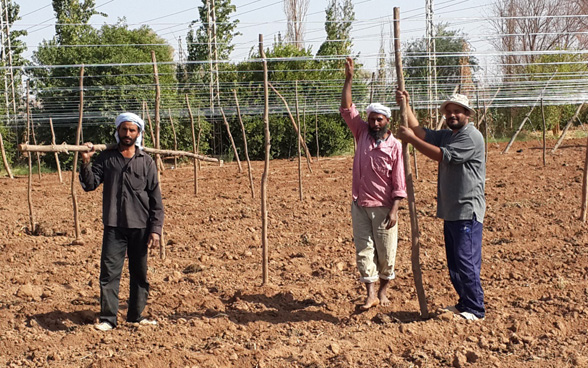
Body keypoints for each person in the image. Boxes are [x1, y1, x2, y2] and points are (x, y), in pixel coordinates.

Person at [395, 89, 486, 321]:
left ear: (467, 114)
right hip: (452, 210)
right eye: (449, 112)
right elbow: (422, 133)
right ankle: (464, 303)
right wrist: (405, 105)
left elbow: (441, 155)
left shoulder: (470, 137)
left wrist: (410, 140)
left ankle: (476, 309)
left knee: (465, 261)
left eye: (457, 111)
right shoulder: (450, 134)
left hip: (467, 210)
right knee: (455, 263)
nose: (452, 115)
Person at [79, 112, 164, 331]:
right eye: (124, 129)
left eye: (132, 130)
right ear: (118, 131)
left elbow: (156, 198)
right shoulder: (107, 158)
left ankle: (136, 316)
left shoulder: (146, 162)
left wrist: (155, 229)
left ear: (138, 133)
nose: (127, 134)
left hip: (141, 226)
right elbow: (89, 185)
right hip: (114, 225)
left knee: (140, 274)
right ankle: (108, 318)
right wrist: (86, 162)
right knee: (109, 273)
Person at [340, 57, 407, 310]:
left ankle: (383, 291)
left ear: (387, 121)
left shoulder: (395, 147)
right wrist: (349, 79)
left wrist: (395, 208)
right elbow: (347, 109)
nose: (375, 123)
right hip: (360, 204)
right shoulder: (361, 133)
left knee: (386, 252)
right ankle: (369, 293)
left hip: (384, 206)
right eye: (372, 119)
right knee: (363, 250)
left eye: (380, 120)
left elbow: (399, 180)